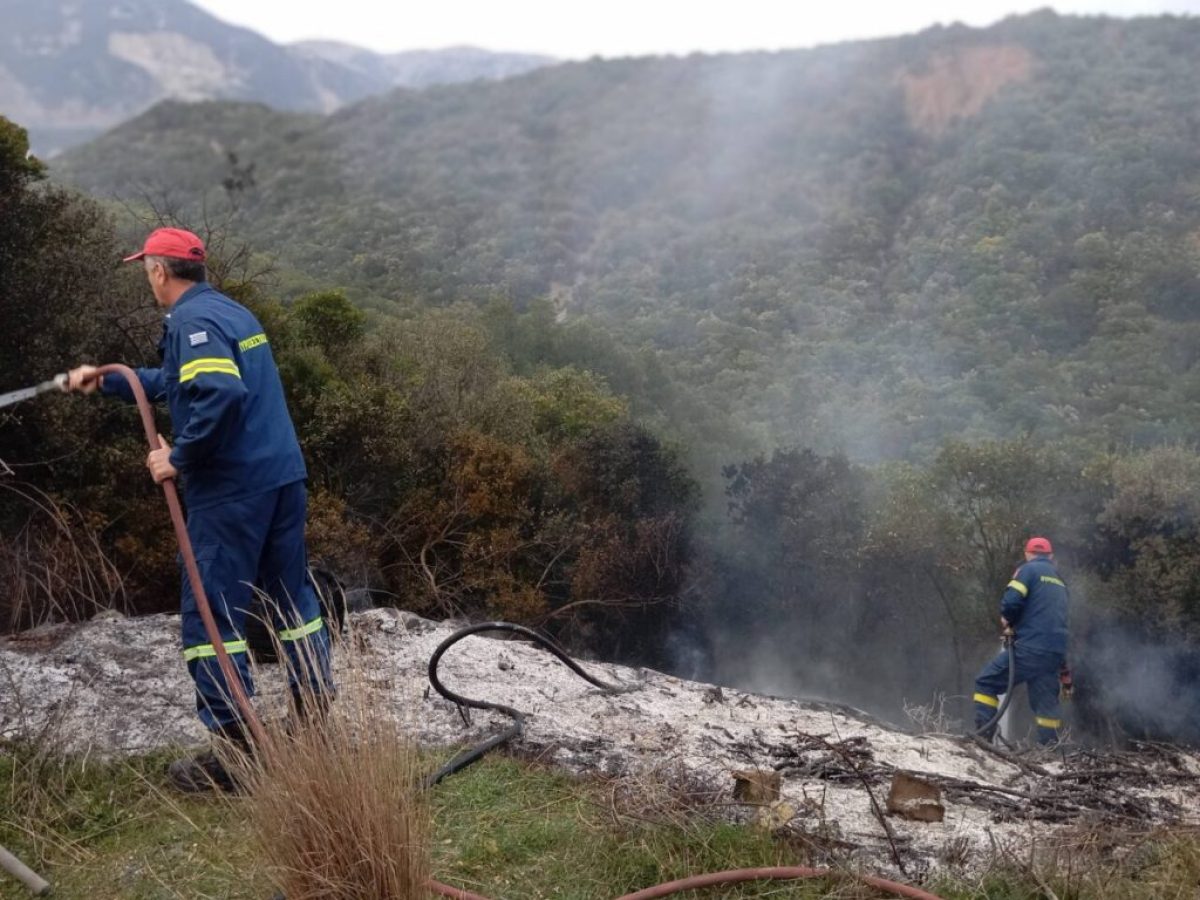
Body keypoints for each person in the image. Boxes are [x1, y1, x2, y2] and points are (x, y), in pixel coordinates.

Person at [67, 227, 334, 791]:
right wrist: (111, 380)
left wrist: (180, 457)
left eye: (147, 269)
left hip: (232, 492)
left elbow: (219, 395)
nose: (148, 277)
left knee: (211, 618)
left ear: (159, 271)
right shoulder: (230, 313)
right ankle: (314, 726)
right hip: (281, 478)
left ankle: (241, 756)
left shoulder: (191, 323)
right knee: (293, 602)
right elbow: (183, 382)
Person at [973, 536, 1069, 746]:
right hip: (1053, 654)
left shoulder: (1027, 571)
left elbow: (1011, 602)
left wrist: (1008, 620)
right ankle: (1050, 754)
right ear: (1050, 556)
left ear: (1027, 554)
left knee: (986, 682)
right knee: (1046, 710)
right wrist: (1064, 669)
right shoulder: (1060, 581)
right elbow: (1058, 622)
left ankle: (983, 740)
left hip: (1030, 648)